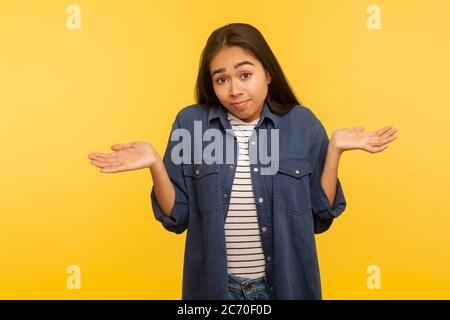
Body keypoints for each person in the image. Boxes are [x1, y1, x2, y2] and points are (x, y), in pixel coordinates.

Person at [88, 23, 398, 300]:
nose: (234, 89)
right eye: (221, 79)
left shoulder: (301, 123)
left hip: (284, 287)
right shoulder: (191, 124)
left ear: (267, 73)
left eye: (245, 74)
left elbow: (320, 215)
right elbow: (177, 217)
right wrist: (156, 163)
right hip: (216, 288)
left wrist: (335, 151)